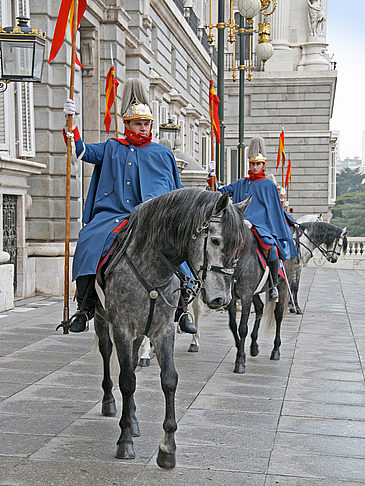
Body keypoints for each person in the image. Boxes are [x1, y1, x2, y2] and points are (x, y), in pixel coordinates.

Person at [62, 78, 197, 334]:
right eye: (138, 123)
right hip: (115, 215)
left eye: (147, 124)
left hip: (153, 218)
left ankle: (182, 309)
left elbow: (176, 192)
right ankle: (85, 305)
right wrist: (71, 122)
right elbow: (81, 152)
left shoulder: (163, 153)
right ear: (127, 125)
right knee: (88, 241)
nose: (143, 128)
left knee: (180, 251)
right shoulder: (112, 146)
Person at [210, 136, 298, 300]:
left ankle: (273, 286)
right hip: (240, 223)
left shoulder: (269, 185)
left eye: (258, 164)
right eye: (252, 164)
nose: (255, 167)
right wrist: (212, 179)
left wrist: (257, 223)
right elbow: (223, 191)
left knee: (271, 248)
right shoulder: (242, 182)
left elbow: (273, 210)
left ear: (263, 165)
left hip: (261, 226)